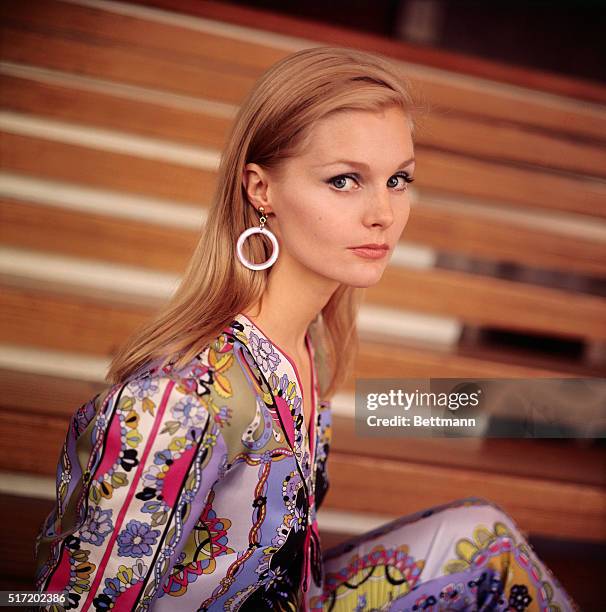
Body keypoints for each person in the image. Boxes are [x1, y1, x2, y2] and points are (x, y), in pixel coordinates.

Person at [33, 46, 579, 611]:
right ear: (260, 190)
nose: (383, 214)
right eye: (344, 181)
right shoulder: (177, 400)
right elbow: (72, 604)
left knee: (483, 538)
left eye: (398, 179)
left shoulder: (302, 345)